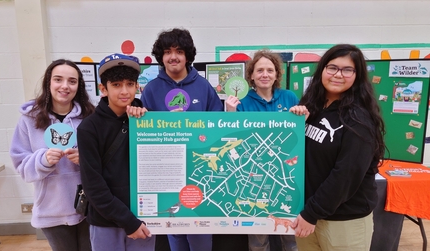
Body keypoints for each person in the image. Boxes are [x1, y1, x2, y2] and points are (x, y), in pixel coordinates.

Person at [291, 44, 386, 251]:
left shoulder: (359, 119)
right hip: (309, 213)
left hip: (343, 221)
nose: (338, 74)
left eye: (347, 69)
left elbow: (345, 175)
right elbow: (302, 158)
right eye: (332, 67)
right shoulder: (313, 107)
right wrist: (296, 126)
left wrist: (311, 214)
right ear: (323, 70)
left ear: (357, 75)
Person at [140, 28, 223, 251]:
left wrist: (193, 127)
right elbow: (142, 134)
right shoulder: (151, 89)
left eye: (178, 51)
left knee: (200, 232)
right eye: (167, 51)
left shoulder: (204, 86)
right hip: (166, 171)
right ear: (161, 56)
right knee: (174, 230)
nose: (173, 56)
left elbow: (217, 126)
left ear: (187, 55)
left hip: (200, 170)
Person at [226, 49, 306, 251]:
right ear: (251, 75)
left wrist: (302, 115)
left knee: (290, 238)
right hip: (253, 178)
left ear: (277, 74)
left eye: (270, 70)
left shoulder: (289, 97)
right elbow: (232, 139)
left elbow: (299, 135)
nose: (265, 74)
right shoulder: (241, 102)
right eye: (259, 70)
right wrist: (229, 114)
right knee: (258, 240)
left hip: (285, 175)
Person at [10, 59, 95, 251]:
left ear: (78, 86)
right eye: (58, 79)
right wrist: (42, 160)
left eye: (72, 81)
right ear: (48, 82)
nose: (65, 86)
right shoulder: (28, 120)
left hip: (89, 207)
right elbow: (21, 165)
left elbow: (106, 159)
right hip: (52, 211)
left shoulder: (90, 117)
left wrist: (86, 158)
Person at [77, 53, 155, 251]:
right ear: (103, 88)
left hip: (143, 217)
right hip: (106, 221)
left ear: (138, 86)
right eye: (117, 84)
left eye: (130, 84)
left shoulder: (147, 121)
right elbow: (93, 185)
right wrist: (128, 221)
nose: (125, 91)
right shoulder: (89, 128)